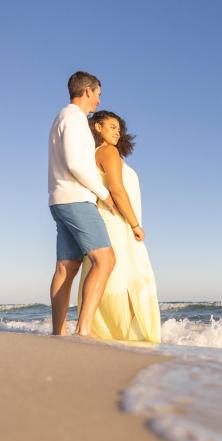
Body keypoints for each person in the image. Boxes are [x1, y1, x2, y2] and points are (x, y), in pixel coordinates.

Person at [78, 111, 161, 343]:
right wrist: (135, 224)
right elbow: (117, 189)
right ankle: (127, 335)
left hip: (111, 220)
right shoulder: (108, 151)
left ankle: (109, 332)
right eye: (112, 126)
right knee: (127, 277)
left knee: (116, 276)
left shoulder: (94, 154)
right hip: (118, 223)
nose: (117, 132)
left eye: (119, 128)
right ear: (97, 127)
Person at [48, 71, 117, 337]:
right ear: (87, 91)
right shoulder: (75, 119)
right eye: (98, 94)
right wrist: (104, 194)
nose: (99, 101)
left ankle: (58, 333)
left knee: (67, 266)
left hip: (60, 199)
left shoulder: (61, 117)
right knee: (106, 260)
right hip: (76, 198)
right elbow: (76, 163)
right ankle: (84, 330)